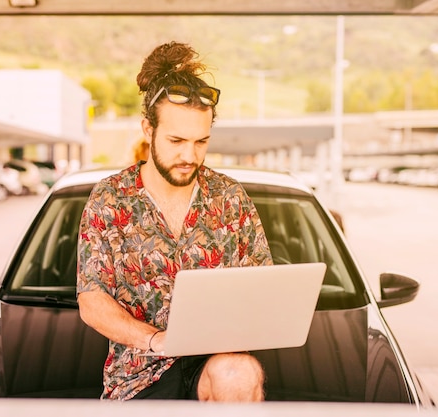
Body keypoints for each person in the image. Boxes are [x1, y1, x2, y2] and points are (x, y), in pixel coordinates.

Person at [76, 41, 273, 402]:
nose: (189, 155)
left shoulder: (231, 197)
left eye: (201, 141)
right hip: (140, 376)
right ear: (147, 129)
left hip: (214, 361)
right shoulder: (108, 198)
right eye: (176, 140)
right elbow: (92, 299)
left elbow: (262, 287)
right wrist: (154, 339)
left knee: (238, 373)